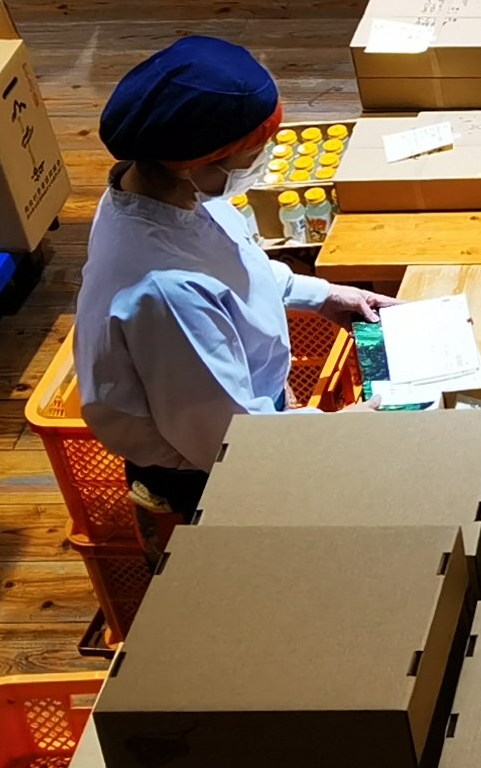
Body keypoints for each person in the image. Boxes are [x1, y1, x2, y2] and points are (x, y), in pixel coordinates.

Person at [75, 36, 390, 514]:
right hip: (207, 471)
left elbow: (238, 265)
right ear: (195, 163)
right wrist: (337, 429)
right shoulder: (166, 293)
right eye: (254, 151)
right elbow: (228, 440)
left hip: (244, 419)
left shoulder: (159, 195)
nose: (263, 160)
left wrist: (323, 295)